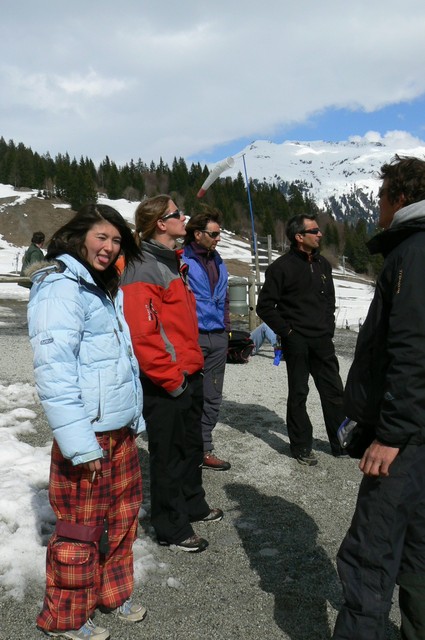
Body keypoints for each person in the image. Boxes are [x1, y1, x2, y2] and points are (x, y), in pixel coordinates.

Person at [28, 205, 146, 639]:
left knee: (123, 516)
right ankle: (65, 617)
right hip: (88, 434)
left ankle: (112, 593)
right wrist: (80, 443)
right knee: (79, 529)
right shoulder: (60, 287)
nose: (109, 247)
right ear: (79, 237)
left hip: (119, 430)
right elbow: (54, 372)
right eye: (102, 237)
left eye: (116, 241)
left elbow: (119, 361)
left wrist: (134, 416)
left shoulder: (102, 287)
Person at [333, 156, 425, 640]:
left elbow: (413, 352)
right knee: (417, 550)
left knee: (370, 554)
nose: (377, 205)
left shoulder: (414, 251)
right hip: (419, 432)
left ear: (398, 196)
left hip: (406, 440)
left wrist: (390, 434)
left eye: (382, 194)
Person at [121, 195, 223, 554]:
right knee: (168, 455)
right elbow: (143, 335)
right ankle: (170, 526)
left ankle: (193, 504)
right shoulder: (143, 268)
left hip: (187, 373)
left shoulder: (172, 262)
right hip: (167, 382)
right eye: (177, 213)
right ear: (161, 224)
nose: (185, 217)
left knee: (191, 446)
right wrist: (173, 380)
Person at [256, 213, 346, 465]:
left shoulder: (323, 265)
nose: (320, 234)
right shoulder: (280, 268)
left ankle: (343, 443)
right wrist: (288, 333)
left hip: (322, 341)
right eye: (314, 231)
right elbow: (265, 306)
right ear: (299, 237)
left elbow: (330, 300)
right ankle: (301, 447)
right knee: (299, 393)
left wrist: (328, 328)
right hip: (297, 341)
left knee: (335, 392)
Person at [183, 205, 231, 471]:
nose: (218, 238)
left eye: (219, 233)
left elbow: (223, 297)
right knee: (189, 396)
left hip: (217, 337)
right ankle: (188, 449)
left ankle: (204, 449)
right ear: (197, 234)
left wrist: (225, 330)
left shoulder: (219, 259)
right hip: (193, 336)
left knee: (213, 396)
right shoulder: (182, 260)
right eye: (213, 234)